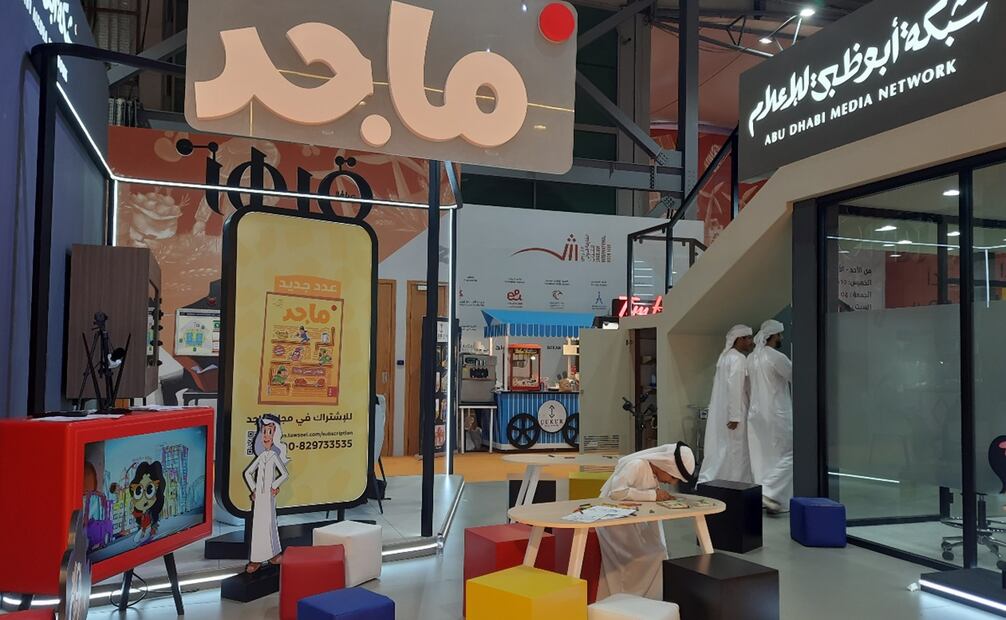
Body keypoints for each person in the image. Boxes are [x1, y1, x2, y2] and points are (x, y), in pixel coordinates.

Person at [596, 443, 697, 600]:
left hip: (633, 523)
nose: (672, 483)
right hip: (614, 525)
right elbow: (617, 493)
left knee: (660, 550)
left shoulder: (652, 472)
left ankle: (649, 600)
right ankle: (630, 599)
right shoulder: (637, 465)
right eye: (673, 477)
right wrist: (653, 496)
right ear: (666, 465)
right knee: (654, 554)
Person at [747, 319, 793, 514]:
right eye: (780, 334)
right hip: (777, 414)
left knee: (763, 458)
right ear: (773, 336)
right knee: (792, 454)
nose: (781, 337)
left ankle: (770, 498)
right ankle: (769, 491)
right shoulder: (776, 357)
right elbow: (795, 376)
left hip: (756, 415)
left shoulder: (752, 358)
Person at [698, 325, 754, 485]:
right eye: (748, 338)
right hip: (734, 414)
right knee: (737, 451)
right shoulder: (738, 359)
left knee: (722, 450)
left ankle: (716, 483)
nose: (751, 342)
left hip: (723, 412)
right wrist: (735, 416)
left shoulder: (725, 357)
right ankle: (735, 484)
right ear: (740, 339)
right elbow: (735, 387)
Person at [243, 414, 290, 572]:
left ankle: (273, 554)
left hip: (269, 496)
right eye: (264, 431)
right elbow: (248, 473)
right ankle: (256, 559)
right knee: (258, 527)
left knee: (270, 525)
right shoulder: (261, 456)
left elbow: (284, 474)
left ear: (275, 435)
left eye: (269, 432)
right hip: (259, 497)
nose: (266, 435)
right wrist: (254, 489)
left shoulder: (274, 456)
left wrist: (274, 486)